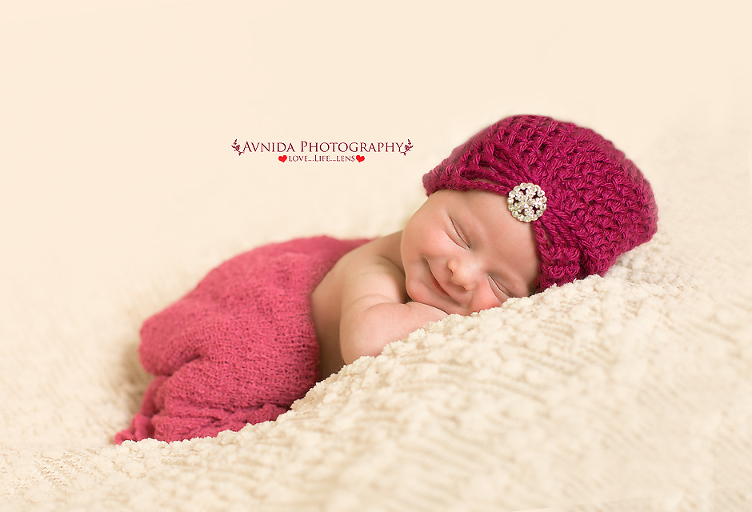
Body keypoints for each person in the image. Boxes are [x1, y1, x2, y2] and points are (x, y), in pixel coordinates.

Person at [116, 115, 657, 443]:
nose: (460, 272)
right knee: (247, 368)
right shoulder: (377, 265)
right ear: (436, 189)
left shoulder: (459, 274)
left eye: (503, 285)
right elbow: (367, 341)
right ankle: (170, 421)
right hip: (277, 307)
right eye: (459, 235)